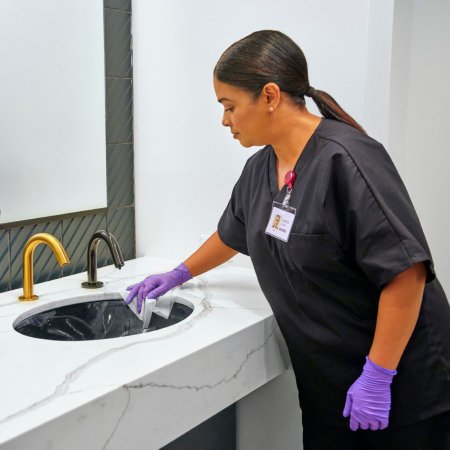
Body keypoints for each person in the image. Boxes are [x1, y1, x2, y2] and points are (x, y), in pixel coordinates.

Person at [126, 30, 450, 449]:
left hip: (402, 386)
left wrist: (378, 375)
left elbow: (405, 272)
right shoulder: (261, 168)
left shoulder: (348, 159)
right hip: (328, 386)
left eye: (229, 106)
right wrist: (179, 273)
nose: (225, 120)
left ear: (270, 96)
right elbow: (232, 232)